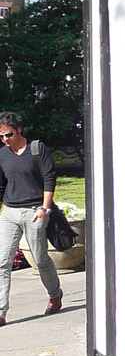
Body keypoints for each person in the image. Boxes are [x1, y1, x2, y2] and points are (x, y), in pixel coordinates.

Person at [0, 112, 63, 326]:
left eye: (8, 134)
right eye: (1, 136)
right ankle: (1, 312)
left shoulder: (37, 148)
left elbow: (49, 178)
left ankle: (54, 295)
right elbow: (1, 186)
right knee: (2, 262)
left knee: (39, 258)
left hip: (34, 210)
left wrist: (45, 208)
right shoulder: (2, 155)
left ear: (18, 130)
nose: (5, 139)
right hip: (9, 211)